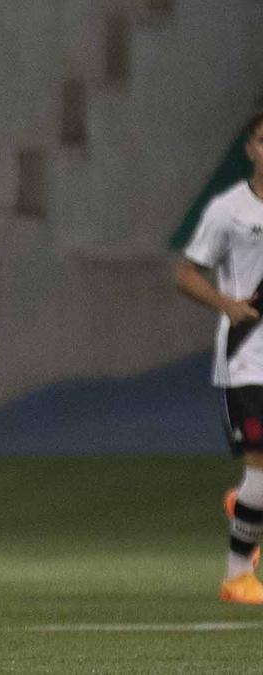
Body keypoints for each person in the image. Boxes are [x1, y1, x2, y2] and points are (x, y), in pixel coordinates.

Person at [175, 110, 263, 605]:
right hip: (248, 359)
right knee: (261, 478)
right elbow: (185, 273)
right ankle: (236, 578)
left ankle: (245, 505)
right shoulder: (229, 210)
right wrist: (227, 304)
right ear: (250, 148)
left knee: (258, 488)